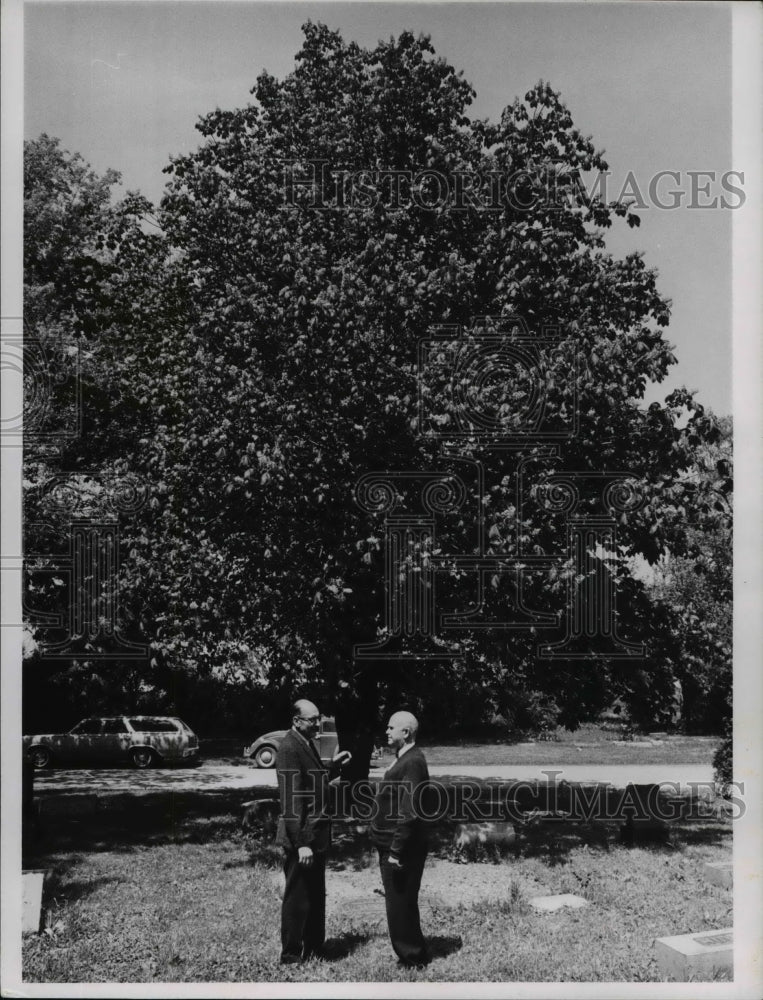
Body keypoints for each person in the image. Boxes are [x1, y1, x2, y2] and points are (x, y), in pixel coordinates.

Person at [274, 699, 351, 964]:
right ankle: (292, 955)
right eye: (312, 719)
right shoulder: (288, 748)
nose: (317, 723)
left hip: (316, 834)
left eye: (318, 718)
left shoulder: (305, 742)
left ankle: (316, 947)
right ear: (297, 721)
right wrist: (301, 843)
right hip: (303, 838)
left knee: (316, 894)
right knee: (297, 898)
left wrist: (333, 766)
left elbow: (312, 781)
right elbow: (291, 800)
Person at [371, 710, 430, 968]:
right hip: (390, 842)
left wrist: (396, 851)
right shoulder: (402, 758)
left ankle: (412, 957)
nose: (386, 731)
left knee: (400, 902)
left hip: (402, 848)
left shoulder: (413, 762)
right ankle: (413, 951)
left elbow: (410, 811)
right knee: (399, 900)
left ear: (405, 733)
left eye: (391, 728)